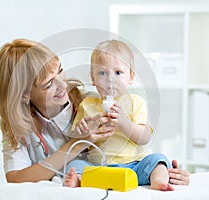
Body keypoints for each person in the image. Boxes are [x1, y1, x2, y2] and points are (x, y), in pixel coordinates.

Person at [0, 38, 190, 185]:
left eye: (60, 70)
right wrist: (75, 145)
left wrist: (163, 169)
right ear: (24, 95)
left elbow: (130, 145)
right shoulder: (18, 128)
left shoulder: (91, 102)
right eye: (49, 83)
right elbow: (16, 179)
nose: (62, 85)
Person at [65, 40, 185, 191]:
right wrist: (82, 131)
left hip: (134, 166)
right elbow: (75, 141)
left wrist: (124, 122)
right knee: (74, 165)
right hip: (98, 167)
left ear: (131, 77)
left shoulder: (135, 102)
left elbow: (144, 138)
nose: (110, 79)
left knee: (158, 160)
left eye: (118, 73)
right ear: (93, 79)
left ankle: (159, 181)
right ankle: (81, 180)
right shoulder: (87, 104)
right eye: (102, 73)